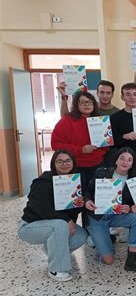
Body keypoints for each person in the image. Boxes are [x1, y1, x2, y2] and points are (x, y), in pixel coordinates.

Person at [18, 150, 88, 281]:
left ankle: (51, 249)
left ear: (73, 162)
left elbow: (71, 210)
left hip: (54, 225)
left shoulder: (75, 181)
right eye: (59, 161)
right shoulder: (43, 181)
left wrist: (80, 203)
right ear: (53, 163)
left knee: (81, 236)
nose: (64, 164)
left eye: (68, 161)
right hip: (30, 226)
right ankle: (56, 269)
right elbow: (41, 208)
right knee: (60, 224)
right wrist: (67, 220)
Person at [85, 147, 136, 274]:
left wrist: (130, 208)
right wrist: (87, 201)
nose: (125, 162)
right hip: (98, 217)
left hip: (116, 216)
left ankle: (132, 259)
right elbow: (87, 191)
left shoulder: (135, 180)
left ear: (132, 164)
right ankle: (102, 238)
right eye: (122, 158)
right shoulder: (101, 173)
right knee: (108, 260)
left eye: (129, 160)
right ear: (116, 160)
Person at [51, 91, 108, 234]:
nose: (86, 105)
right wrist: (80, 150)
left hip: (97, 165)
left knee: (94, 199)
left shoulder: (100, 120)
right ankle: (69, 230)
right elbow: (56, 144)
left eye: (89, 102)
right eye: (82, 102)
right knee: (74, 201)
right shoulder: (67, 120)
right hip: (74, 167)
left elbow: (106, 144)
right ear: (76, 104)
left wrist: (99, 152)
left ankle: (90, 230)